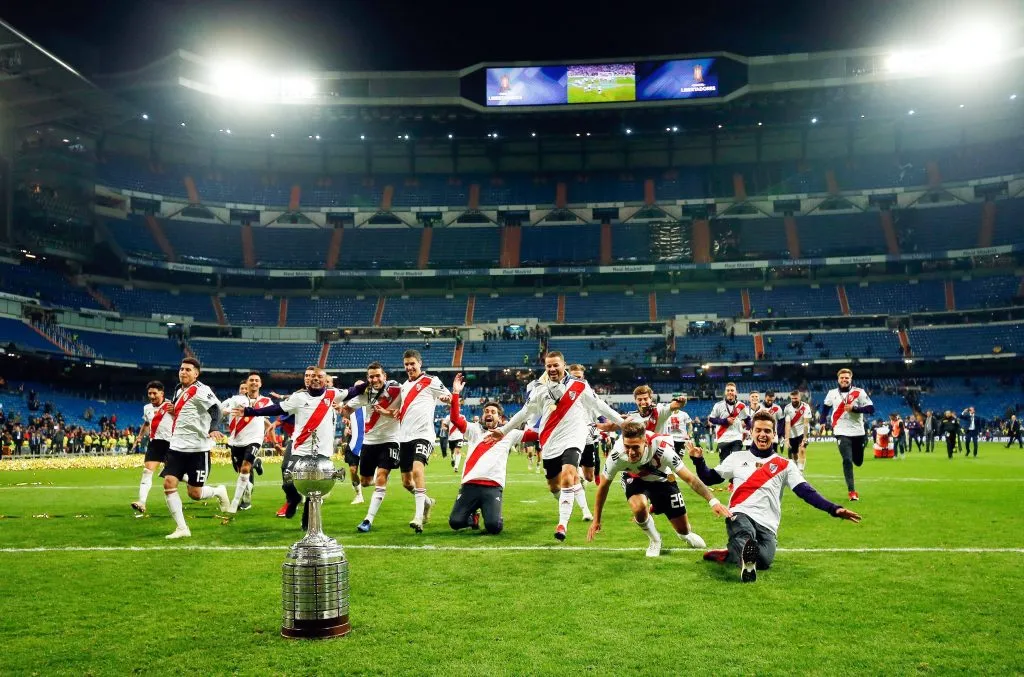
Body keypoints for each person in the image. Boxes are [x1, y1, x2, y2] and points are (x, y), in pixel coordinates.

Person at [691, 410, 862, 582]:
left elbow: (805, 491)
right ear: (751, 433)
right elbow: (708, 478)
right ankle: (745, 561)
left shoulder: (785, 465)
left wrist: (834, 509)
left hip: (767, 524)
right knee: (745, 532)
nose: (762, 435)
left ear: (774, 434)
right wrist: (699, 461)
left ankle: (731, 554)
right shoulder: (737, 457)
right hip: (740, 514)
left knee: (764, 560)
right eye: (758, 430)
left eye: (767, 431)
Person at [489, 351, 624, 541]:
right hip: (550, 441)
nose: (552, 369)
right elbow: (524, 413)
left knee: (569, 475)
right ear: (545, 368)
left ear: (564, 365)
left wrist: (622, 423)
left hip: (574, 438)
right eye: (548, 366)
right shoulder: (539, 390)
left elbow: (601, 406)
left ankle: (562, 524)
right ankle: (566, 501)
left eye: (556, 365)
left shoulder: (579, 386)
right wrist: (503, 431)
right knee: (554, 486)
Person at [234, 366, 366, 530]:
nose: (316, 379)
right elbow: (276, 408)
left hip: (321, 451)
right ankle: (293, 499)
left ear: (325, 381)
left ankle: (307, 519)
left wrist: (372, 382)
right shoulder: (298, 397)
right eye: (313, 377)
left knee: (314, 486)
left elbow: (354, 391)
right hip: (300, 449)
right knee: (288, 481)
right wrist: (249, 411)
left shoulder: (333, 394)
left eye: (320, 377)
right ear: (309, 380)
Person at [586, 421, 730, 557]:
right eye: (627, 447)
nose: (630, 452)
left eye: (636, 447)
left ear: (646, 442)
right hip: (635, 479)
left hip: (663, 480)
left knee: (683, 529)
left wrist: (713, 501)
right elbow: (603, 487)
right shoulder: (616, 456)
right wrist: (596, 519)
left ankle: (684, 534)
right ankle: (655, 539)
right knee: (639, 507)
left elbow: (690, 479)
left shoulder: (662, 449)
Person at [447, 374, 532, 534]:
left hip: (493, 486)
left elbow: (535, 435)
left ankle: (494, 515)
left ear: (500, 418)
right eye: (486, 411)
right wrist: (456, 393)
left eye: (493, 412)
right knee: (455, 523)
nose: (488, 414)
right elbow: (455, 418)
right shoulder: (473, 430)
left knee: (494, 527)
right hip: (470, 484)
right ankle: (473, 517)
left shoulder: (510, 433)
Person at [161, 358, 231, 539]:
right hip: (176, 446)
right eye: (181, 369)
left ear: (196, 373)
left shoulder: (201, 390)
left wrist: (214, 428)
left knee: (195, 493)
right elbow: (183, 411)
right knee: (169, 483)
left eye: (188, 370)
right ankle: (182, 528)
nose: (183, 372)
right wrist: (173, 409)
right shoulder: (178, 389)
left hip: (198, 449)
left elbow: (216, 408)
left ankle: (218, 491)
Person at [343, 362, 402, 533]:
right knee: (365, 481)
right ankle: (379, 478)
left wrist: (388, 412)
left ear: (385, 376)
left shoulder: (397, 390)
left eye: (378, 375)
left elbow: (404, 410)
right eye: (371, 376)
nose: (375, 379)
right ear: (367, 378)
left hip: (390, 439)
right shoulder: (365, 394)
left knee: (382, 476)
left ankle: (368, 519)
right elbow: (347, 409)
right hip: (369, 441)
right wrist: (343, 412)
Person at [398, 349, 452, 533]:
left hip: (423, 435)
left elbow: (450, 398)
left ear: (419, 363)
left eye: (412, 363)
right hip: (404, 437)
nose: (409, 367)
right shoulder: (404, 386)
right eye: (406, 364)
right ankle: (428, 502)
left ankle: (418, 517)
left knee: (417, 470)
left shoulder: (431, 381)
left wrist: (447, 398)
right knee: (406, 482)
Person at [221, 373, 272, 513]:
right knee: (240, 472)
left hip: (255, 439)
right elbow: (221, 409)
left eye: (257, 380)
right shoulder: (236, 399)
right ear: (247, 384)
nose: (254, 382)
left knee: (245, 469)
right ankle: (248, 486)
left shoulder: (266, 401)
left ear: (260, 384)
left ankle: (234, 503)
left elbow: (272, 413)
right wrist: (225, 412)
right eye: (251, 380)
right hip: (236, 441)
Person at [823, 368, 874, 501]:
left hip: (858, 432)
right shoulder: (832, 393)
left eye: (847, 378)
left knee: (858, 461)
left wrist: (855, 408)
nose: (844, 380)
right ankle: (852, 491)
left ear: (851, 379)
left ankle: (856, 457)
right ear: (838, 379)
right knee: (847, 460)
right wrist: (823, 421)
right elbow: (825, 408)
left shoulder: (859, 392)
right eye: (842, 378)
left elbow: (871, 408)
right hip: (840, 431)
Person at [130, 380, 173, 514]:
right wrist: (139, 437)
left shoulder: (171, 406)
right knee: (147, 471)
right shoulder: (147, 408)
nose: (152, 396)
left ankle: (202, 487)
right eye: (150, 393)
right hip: (155, 443)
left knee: (175, 476)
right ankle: (142, 502)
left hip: (171, 444)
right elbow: (147, 423)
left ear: (162, 393)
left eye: (155, 393)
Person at [707, 382, 751, 461]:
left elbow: (747, 420)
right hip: (723, 438)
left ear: (736, 392)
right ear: (725, 392)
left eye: (732, 390)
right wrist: (725, 421)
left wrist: (749, 430)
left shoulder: (741, 406)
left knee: (736, 462)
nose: (730, 392)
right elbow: (711, 419)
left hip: (736, 437)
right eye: (728, 390)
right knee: (724, 464)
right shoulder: (718, 405)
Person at [782, 390, 811, 470]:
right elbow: (787, 424)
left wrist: (805, 437)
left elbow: (805, 423)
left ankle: (800, 471)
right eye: (792, 398)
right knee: (794, 454)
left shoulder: (806, 407)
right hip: (792, 434)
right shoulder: (787, 408)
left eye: (796, 398)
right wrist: (787, 439)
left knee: (802, 450)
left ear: (800, 397)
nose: (794, 400)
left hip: (802, 431)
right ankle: (795, 469)